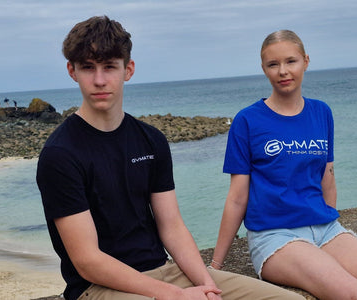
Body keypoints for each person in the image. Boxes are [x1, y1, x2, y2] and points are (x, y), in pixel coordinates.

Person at [36, 16, 304, 300]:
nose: (100, 80)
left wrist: (206, 285)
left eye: (109, 67)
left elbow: (172, 226)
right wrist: (174, 295)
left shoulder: (151, 140)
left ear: (128, 70)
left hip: (165, 271)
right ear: (72, 71)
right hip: (100, 287)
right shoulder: (60, 154)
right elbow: (88, 261)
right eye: (88, 68)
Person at [211, 30, 357, 300]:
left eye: (291, 61)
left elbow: (328, 177)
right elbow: (237, 197)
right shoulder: (247, 121)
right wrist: (214, 267)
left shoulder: (321, 112)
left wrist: (329, 226)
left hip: (325, 228)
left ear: (306, 61)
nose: (283, 71)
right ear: (263, 68)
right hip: (274, 235)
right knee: (356, 295)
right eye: (273, 64)